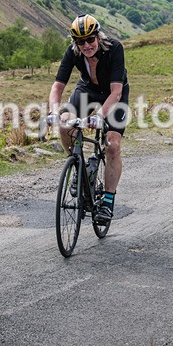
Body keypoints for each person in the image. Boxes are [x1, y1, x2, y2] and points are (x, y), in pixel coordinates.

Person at [47, 14, 129, 224]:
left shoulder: (114, 48)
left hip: (113, 93)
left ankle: (108, 201)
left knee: (112, 144)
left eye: (90, 39)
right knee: (65, 125)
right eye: (80, 41)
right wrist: (54, 112)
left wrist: (100, 116)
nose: (86, 45)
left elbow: (116, 92)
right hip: (87, 90)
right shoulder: (73, 52)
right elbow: (58, 86)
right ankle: (79, 167)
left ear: (98, 37)